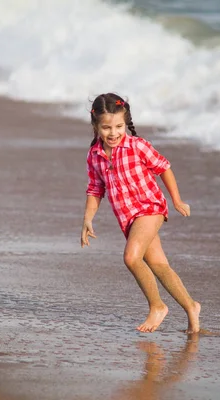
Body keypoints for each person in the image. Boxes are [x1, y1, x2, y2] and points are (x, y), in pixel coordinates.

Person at [80, 93, 201, 333]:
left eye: (118, 126)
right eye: (106, 128)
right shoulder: (95, 155)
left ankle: (157, 306)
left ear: (126, 123)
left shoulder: (137, 146)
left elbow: (164, 167)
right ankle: (191, 307)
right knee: (158, 264)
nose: (113, 133)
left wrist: (176, 200)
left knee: (131, 257)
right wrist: (87, 218)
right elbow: (95, 188)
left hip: (150, 207)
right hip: (128, 218)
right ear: (95, 125)